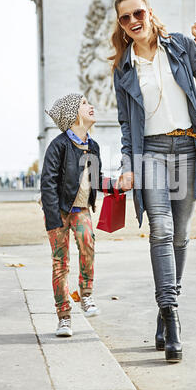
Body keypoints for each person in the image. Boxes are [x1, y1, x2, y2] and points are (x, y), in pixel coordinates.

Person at [110, 0, 196, 362]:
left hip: (187, 149)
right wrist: (127, 166)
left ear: (149, 11)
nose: (132, 21)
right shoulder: (123, 67)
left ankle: (163, 310)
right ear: (120, 24)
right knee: (161, 228)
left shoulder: (177, 45)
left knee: (181, 235)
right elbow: (127, 125)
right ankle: (173, 317)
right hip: (151, 155)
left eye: (137, 13)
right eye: (125, 17)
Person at [41, 93, 122, 337]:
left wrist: (118, 185)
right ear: (73, 114)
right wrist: (54, 219)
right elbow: (48, 183)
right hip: (58, 212)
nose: (92, 106)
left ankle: (86, 295)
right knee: (60, 263)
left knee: (88, 245)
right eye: (85, 103)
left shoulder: (93, 146)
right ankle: (64, 317)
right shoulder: (59, 145)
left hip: (81, 210)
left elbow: (96, 180)